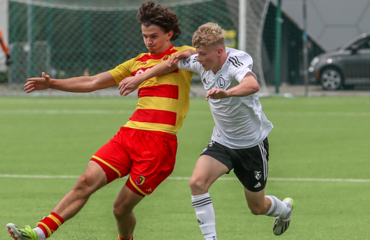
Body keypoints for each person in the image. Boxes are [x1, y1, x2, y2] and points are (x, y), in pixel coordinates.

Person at [6, 2, 195, 240]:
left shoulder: (183, 57)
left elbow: (186, 56)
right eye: (145, 36)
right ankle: (39, 233)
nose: (148, 41)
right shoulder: (137, 61)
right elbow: (93, 82)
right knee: (85, 181)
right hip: (128, 136)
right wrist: (53, 84)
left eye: (154, 36)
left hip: (158, 145)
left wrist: (141, 78)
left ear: (169, 34)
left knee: (120, 209)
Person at [118, 22, 294, 239]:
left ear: (219, 52)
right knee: (197, 183)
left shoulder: (236, 61)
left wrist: (227, 93)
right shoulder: (200, 61)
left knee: (257, 207)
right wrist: (139, 78)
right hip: (222, 142)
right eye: (197, 54)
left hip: (251, 145)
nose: (198, 59)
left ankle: (285, 210)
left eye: (202, 54)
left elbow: (252, 85)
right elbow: (172, 63)